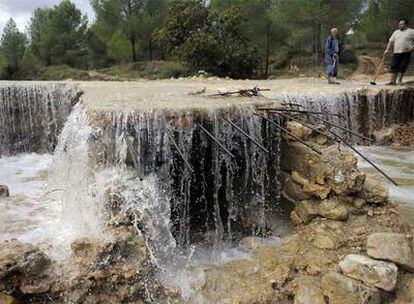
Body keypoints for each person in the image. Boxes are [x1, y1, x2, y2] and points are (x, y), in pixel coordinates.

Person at [384, 19, 414, 85]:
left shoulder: (411, 31)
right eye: (399, 24)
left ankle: (399, 80)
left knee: (402, 66)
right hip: (396, 52)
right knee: (393, 66)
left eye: (401, 24)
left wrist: (413, 47)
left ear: (406, 24)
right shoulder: (396, 32)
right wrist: (387, 50)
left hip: (406, 52)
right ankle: (392, 81)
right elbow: (390, 41)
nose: (399, 25)